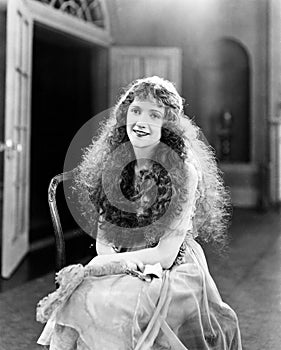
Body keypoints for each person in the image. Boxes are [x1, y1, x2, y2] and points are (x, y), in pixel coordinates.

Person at [37, 76, 242, 349]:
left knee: (124, 305)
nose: (141, 121)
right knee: (77, 296)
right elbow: (104, 245)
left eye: (154, 114)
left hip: (174, 268)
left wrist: (116, 268)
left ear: (167, 125)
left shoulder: (184, 171)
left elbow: (166, 255)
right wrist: (110, 266)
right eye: (135, 111)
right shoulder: (115, 166)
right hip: (120, 261)